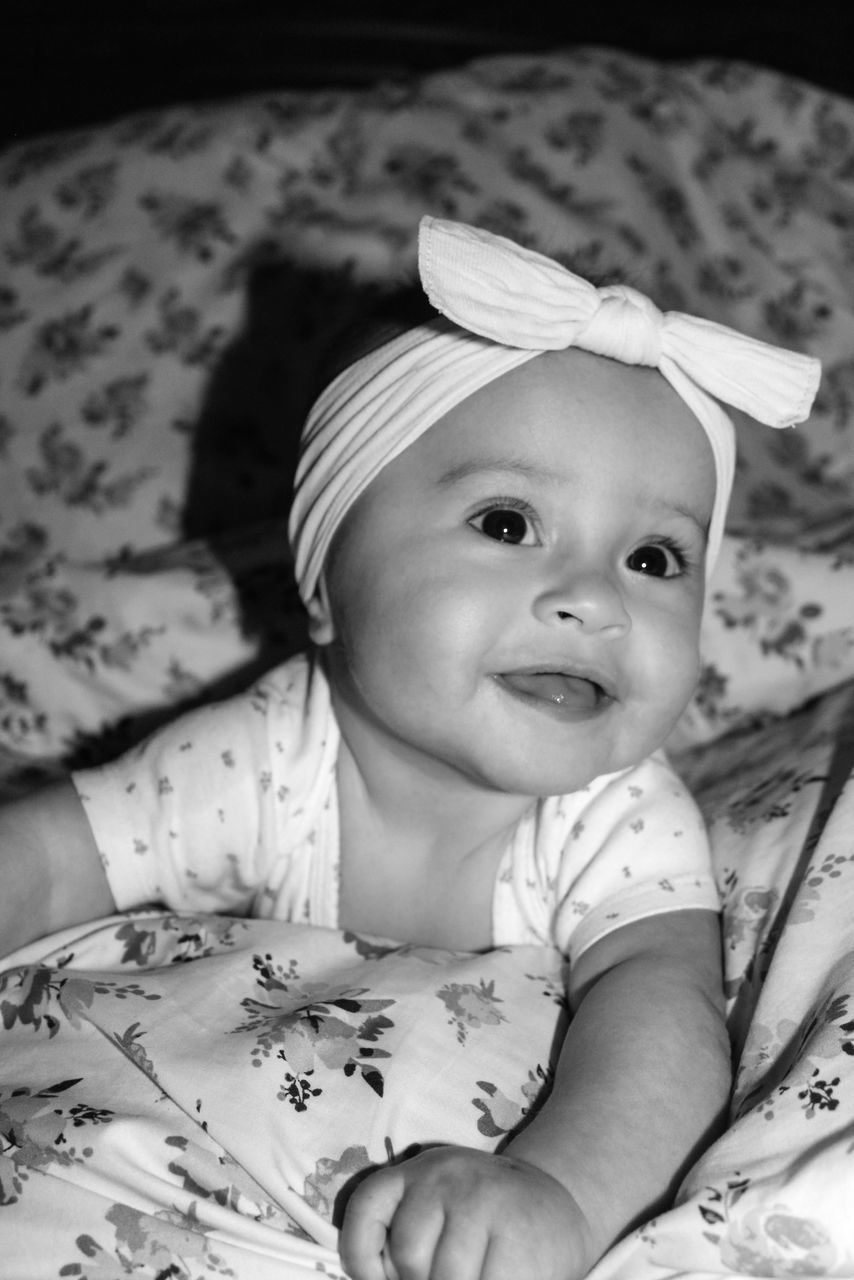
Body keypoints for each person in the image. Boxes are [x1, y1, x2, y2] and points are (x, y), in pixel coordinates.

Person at [0, 216, 820, 1280]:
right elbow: (58, 855)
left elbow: (660, 1017)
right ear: (324, 589)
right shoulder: (264, 755)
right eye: (507, 522)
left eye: (654, 555)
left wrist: (558, 1195)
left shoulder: (613, 809)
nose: (589, 599)